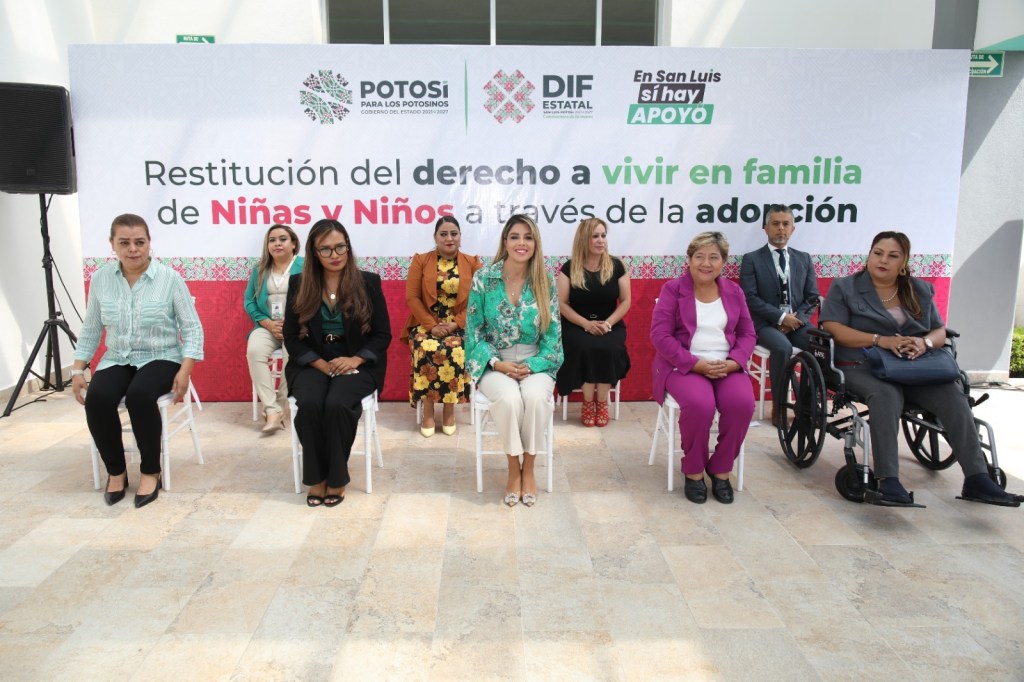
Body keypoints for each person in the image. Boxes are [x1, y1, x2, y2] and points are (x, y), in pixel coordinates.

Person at [820, 231, 1021, 507]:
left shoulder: (919, 289)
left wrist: (923, 343)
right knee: (886, 394)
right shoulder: (846, 287)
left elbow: (939, 331)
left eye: (893, 256)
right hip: (863, 364)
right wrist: (880, 340)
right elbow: (833, 328)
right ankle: (888, 481)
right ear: (869, 255)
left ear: (903, 262)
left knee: (952, 394)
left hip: (913, 366)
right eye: (878, 253)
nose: (883, 260)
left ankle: (977, 479)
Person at [71, 213, 204, 508]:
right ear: (112, 244)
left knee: (140, 395)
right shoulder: (101, 279)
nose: (133, 249)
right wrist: (78, 369)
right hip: (117, 357)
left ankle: (150, 471)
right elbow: (91, 327)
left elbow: (192, 328)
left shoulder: (169, 279)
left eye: (139, 242)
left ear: (149, 243)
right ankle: (116, 471)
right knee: (98, 398)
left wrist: (186, 369)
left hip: (161, 356)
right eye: (124, 243)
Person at [284, 219, 391, 508]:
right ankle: (316, 476)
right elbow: (291, 338)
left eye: (340, 247)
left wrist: (355, 359)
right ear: (314, 252)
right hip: (312, 361)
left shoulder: (368, 282)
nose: (335, 255)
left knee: (336, 404)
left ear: (348, 246)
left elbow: (382, 335)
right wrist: (320, 363)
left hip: (357, 360)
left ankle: (337, 477)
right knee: (310, 404)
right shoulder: (298, 284)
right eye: (326, 249)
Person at [650, 231, 756, 505]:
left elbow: (748, 334)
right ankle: (694, 471)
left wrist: (734, 362)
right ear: (689, 260)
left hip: (726, 364)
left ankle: (720, 469)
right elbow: (660, 336)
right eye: (699, 256)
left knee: (742, 404)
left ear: (724, 262)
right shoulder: (673, 289)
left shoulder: (734, 292)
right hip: (684, 365)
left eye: (713, 257)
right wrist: (695, 364)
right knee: (700, 405)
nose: (706, 263)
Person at [465, 215, 563, 507]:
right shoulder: (484, 279)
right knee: (508, 400)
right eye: (515, 236)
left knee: (535, 398)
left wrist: (533, 365)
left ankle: (528, 468)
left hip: (537, 360)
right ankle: (512, 467)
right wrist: (496, 363)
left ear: (536, 243)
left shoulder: (545, 281)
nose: (522, 243)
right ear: (505, 241)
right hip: (495, 361)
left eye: (528, 237)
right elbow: (473, 332)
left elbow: (553, 334)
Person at [402, 216, 483, 437]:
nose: (449, 238)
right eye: (443, 234)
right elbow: (412, 297)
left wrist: (456, 323)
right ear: (435, 237)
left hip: (460, 323)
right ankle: (428, 409)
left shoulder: (473, 263)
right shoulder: (421, 261)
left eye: (454, 233)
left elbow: (479, 300)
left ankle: (449, 408)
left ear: (460, 236)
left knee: (455, 348)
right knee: (424, 346)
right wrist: (431, 326)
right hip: (426, 322)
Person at [740, 204, 820, 425]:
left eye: (786, 224)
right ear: (765, 228)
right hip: (765, 324)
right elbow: (750, 298)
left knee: (819, 344)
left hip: (797, 323)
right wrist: (781, 318)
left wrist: (797, 320)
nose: (781, 228)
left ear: (793, 229)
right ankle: (780, 405)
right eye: (775, 224)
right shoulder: (752, 259)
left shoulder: (804, 258)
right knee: (782, 347)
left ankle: (807, 404)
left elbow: (812, 297)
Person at [555, 218, 631, 427]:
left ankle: (601, 402)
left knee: (609, 348)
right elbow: (562, 304)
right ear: (583, 239)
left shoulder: (617, 266)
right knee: (585, 347)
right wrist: (586, 324)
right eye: (595, 236)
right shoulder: (569, 268)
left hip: (610, 324)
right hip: (577, 324)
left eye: (603, 235)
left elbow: (626, 301)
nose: (601, 240)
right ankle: (588, 402)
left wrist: (608, 323)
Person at [244, 224, 304, 433]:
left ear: (293, 243)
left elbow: (314, 299)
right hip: (267, 326)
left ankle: (279, 406)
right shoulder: (259, 269)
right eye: (272, 240)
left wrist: (292, 324)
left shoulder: (306, 267)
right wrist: (266, 322)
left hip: (296, 328)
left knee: (292, 355)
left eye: (283, 239)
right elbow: (249, 301)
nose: (277, 243)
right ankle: (271, 410)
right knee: (254, 351)